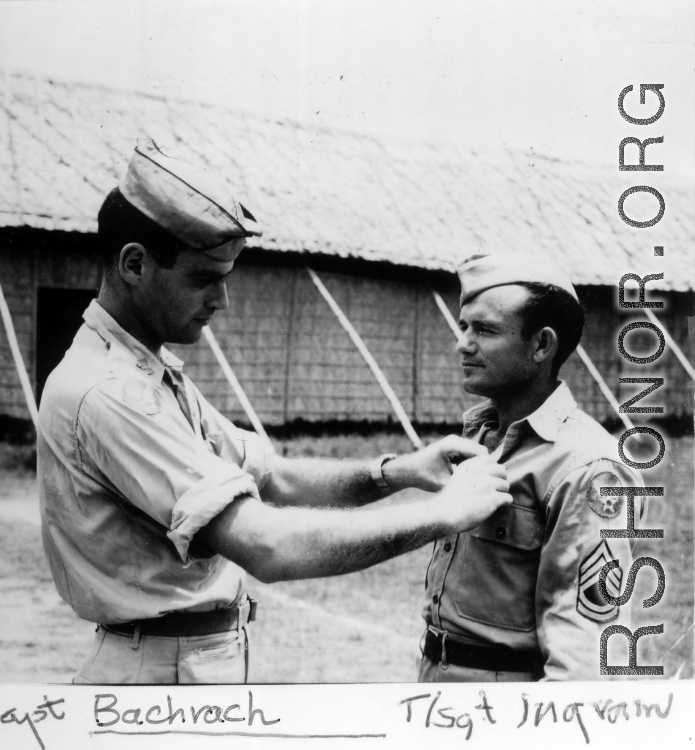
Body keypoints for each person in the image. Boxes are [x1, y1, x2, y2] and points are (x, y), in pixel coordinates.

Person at [37, 136, 512, 685]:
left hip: (179, 663)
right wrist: (442, 515)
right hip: (159, 675)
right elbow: (267, 546)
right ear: (135, 265)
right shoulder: (111, 391)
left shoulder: (147, 370)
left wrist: (396, 473)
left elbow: (273, 476)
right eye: (202, 279)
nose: (222, 301)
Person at [418, 252, 643, 682]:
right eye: (464, 326)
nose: (461, 343)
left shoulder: (587, 467)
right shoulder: (477, 438)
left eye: (484, 330)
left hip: (508, 708)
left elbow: (585, 651)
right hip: (438, 684)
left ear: (542, 345)